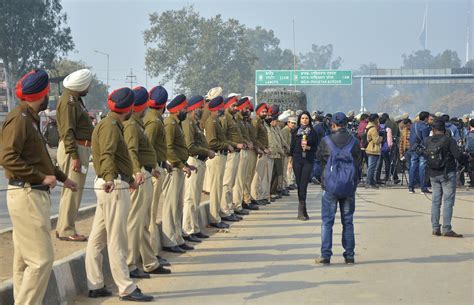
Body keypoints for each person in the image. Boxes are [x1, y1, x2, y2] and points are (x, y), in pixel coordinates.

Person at [0, 69, 77, 305]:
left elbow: (40, 158)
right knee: (42, 260)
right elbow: (7, 157)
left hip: (32, 194)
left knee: (24, 262)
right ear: (41, 95)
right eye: (47, 94)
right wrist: (40, 177)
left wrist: (63, 178)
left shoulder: (30, 119)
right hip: (27, 194)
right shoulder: (20, 120)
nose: (49, 98)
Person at [85, 87, 153, 301]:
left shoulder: (110, 123)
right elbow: (107, 155)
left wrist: (130, 179)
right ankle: (126, 287)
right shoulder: (111, 126)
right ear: (130, 108)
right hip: (112, 186)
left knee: (98, 238)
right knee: (117, 239)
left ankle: (95, 283)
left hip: (114, 183)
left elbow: (116, 156)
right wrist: (108, 178)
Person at [124, 86, 170, 277]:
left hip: (147, 172)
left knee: (142, 221)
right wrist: (137, 171)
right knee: (136, 221)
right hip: (140, 174)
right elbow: (132, 151)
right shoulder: (133, 125)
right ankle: (130, 263)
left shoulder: (138, 123)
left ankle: (149, 261)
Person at [315, 112, 361, 264]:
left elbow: (319, 162)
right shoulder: (353, 141)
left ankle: (325, 255)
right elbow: (358, 164)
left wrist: (323, 180)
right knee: (348, 221)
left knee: (327, 222)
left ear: (333, 124)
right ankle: (349, 255)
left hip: (330, 187)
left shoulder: (325, 141)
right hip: (348, 187)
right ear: (346, 124)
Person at [56, 69, 94, 242]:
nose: (89, 88)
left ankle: (64, 227)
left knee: (71, 191)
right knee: (72, 191)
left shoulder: (75, 100)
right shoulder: (70, 102)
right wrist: (75, 156)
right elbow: (68, 131)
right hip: (75, 149)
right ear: (82, 85)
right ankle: (66, 229)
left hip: (78, 148)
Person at [161, 94, 196, 253]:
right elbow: (168, 149)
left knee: (178, 205)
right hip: (174, 169)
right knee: (171, 206)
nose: (186, 111)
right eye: (184, 108)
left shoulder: (176, 123)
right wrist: (181, 164)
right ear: (176, 110)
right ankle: (169, 240)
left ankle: (177, 236)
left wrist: (186, 164)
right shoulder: (169, 124)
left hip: (180, 167)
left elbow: (179, 148)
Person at [424, 119, 468, 238]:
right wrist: (466, 160)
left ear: (433, 130)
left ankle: (435, 228)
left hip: (433, 174)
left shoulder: (427, 140)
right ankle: (447, 228)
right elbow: (458, 156)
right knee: (448, 201)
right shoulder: (449, 140)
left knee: (435, 201)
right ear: (444, 129)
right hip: (447, 173)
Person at [142, 85, 171, 267]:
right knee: (150, 215)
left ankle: (151, 252)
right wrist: (154, 166)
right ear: (163, 105)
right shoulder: (153, 122)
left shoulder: (155, 119)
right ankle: (151, 252)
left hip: (157, 167)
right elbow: (148, 147)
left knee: (151, 213)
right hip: (152, 171)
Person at [182, 95, 214, 241]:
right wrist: (206, 151)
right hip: (193, 160)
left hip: (199, 161)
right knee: (190, 197)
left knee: (195, 197)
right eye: (201, 108)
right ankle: (188, 229)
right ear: (194, 108)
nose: (203, 110)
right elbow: (190, 146)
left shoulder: (194, 123)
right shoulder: (188, 123)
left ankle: (194, 227)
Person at [204, 96, 231, 229]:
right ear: (217, 108)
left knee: (218, 187)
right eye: (222, 107)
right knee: (215, 188)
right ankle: (214, 217)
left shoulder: (216, 121)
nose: (223, 109)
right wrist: (226, 145)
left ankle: (217, 214)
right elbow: (211, 142)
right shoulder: (211, 122)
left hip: (221, 157)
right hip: (217, 157)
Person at [220, 96, 245, 220]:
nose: (236, 108)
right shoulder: (225, 119)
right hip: (230, 153)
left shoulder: (234, 119)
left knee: (232, 182)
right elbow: (223, 137)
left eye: (236, 106)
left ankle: (230, 209)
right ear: (227, 106)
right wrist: (235, 145)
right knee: (227, 183)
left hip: (236, 153)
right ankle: (225, 210)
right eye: (233, 106)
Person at [290, 111, 318, 220]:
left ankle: (302, 209)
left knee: (304, 184)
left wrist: (308, 148)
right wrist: (289, 159)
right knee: (299, 184)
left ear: (309, 120)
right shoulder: (295, 132)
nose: (304, 120)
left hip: (308, 160)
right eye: (302, 118)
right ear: (299, 120)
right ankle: (302, 209)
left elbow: (316, 148)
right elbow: (292, 147)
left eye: (306, 118)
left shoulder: (313, 133)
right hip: (297, 160)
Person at [251, 103, 271, 205]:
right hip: (259, 151)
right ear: (258, 111)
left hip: (264, 151)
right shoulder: (255, 121)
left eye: (265, 111)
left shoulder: (261, 122)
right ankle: (255, 196)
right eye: (263, 111)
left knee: (261, 176)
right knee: (257, 175)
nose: (265, 113)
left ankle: (259, 195)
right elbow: (254, 138)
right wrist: (262, 148)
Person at [409, 111, 432, 194]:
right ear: (426, 118)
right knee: (422, 167)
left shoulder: (413, 125)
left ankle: (411, 187)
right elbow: (425, 140)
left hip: (413, 148)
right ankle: (423, 187)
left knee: (412, 167)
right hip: (421, 149)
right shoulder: (425, 127)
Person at [365, 113, 382, 188]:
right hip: (373, 149)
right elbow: (376, 140)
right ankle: (369, 182)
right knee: (372, 167)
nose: (378, 120)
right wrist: (381, 137)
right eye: (377, 119)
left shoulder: (368, 126)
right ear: (375, 119)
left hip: (369, 148)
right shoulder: (373, 129)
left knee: (371, 167)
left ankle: (371, 182)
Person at [281, 116, 297, 191]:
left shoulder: (291, 130)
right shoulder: (285, 130)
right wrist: (290, 151)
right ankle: (286, 185)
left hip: (290, 152)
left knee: (289, 169)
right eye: (292, 123)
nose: (293, 125)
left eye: (294, 123)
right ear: (288, 123)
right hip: (286, 153)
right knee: (286, 170)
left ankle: (288, 183)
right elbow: (284, 142)